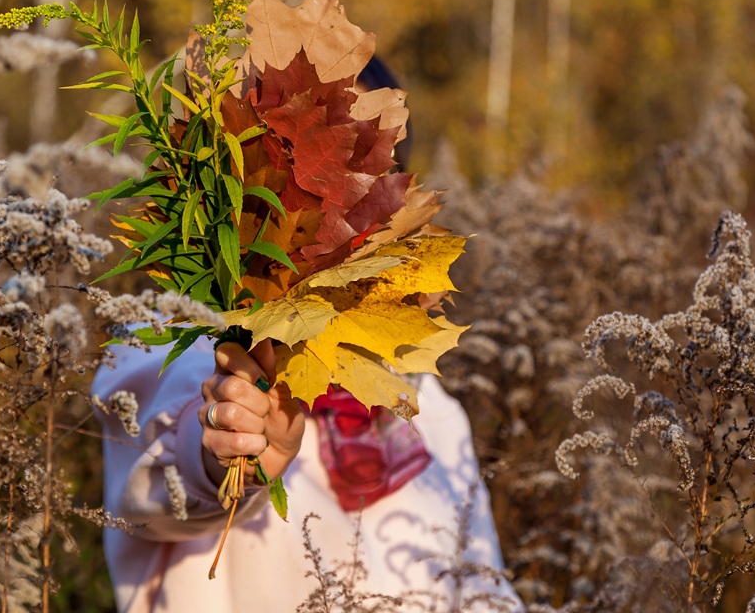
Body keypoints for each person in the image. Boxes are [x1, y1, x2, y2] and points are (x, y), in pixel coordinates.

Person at [92, 56, 522, 612]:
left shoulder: (422, 407)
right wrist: (229, 455)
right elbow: (156, 472)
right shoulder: (172, 344)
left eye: (355, 160)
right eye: (299, 154)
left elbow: (481, 587)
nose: (323, 196)